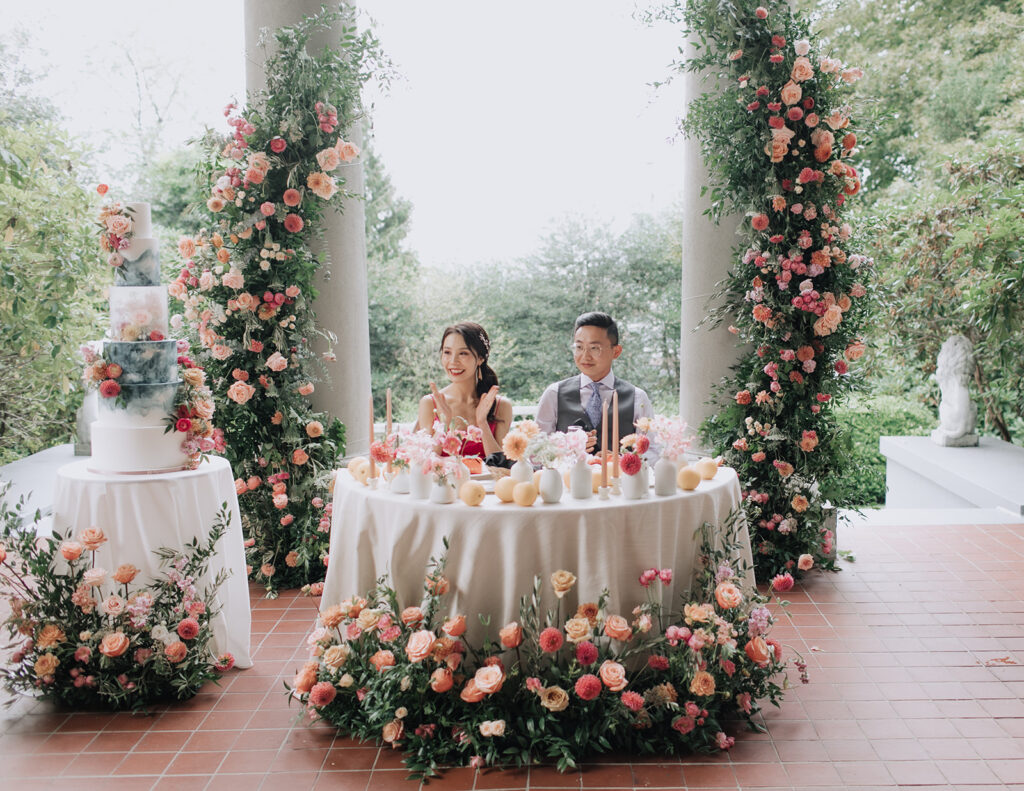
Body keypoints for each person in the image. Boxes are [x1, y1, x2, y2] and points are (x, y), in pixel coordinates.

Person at [535, 312, 653, 452]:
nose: (585, 356)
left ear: (616, 351)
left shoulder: (637, 397)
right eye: (579, 347)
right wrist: (566, 449)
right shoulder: (554, 394)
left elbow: (651, 453)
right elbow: (536, 452)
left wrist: (617, 460)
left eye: (594, 348)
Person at [415, 321, 513, 458]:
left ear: (480, 358)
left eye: (463, 353)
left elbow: (502, 465)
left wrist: (482, 423)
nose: (453, 361)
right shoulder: (430, 403)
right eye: (447, 352)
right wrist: (444, 424)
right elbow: (424, 462)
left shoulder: (501, 406)